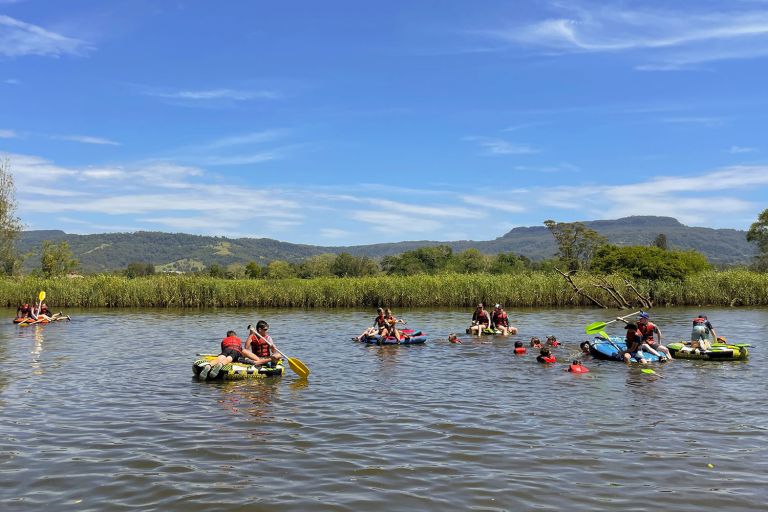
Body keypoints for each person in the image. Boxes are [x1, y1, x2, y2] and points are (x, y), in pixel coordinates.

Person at [198, 328, 279, 380]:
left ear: (227, 336)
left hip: (226, 349)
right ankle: (221, 364)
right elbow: (241, 350)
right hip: (236, 351)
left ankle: (209, 365)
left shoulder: (224, 340)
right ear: (235, 336)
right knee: (229, 358)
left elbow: (223, 350)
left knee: (221, 357)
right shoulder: (238, 340)